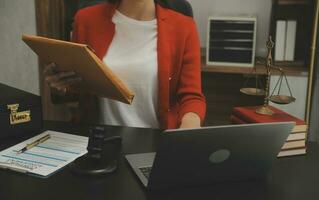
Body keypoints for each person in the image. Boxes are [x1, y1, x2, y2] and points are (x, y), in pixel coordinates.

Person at [44, 0, 206, 129]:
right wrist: (60, 87)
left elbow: (191, 96)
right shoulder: (86, 19)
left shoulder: (184, 27)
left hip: (157, 139)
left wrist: (189, 124)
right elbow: (78, 89)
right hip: (99, 138)